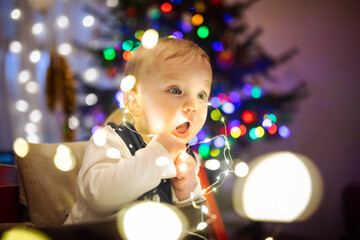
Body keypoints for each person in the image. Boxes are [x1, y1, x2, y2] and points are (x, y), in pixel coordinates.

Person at [64, 37, 212, 224]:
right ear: (136, 102)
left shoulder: (188, 160)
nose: (193, 105)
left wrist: (187, 192)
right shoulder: (111, 141)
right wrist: (158, 154)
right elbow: (97, 196)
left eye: (201, 95)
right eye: (175, 90)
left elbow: (193, 225)